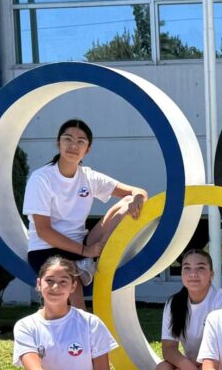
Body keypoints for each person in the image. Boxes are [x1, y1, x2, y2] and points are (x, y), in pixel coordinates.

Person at [22, 118, 148, 309]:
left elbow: (136, 191)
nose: (73, 145)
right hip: (46, 249)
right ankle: (73, 319)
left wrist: (139, 197)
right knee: (73, 292)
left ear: (87, 149)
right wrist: (85, 252)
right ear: (58, 143)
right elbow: (43, 231)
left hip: (82, 243)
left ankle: (102, 256)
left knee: (128, 202)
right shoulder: (41, 178)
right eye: (68, 139)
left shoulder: (88, 176)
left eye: (80, 141)